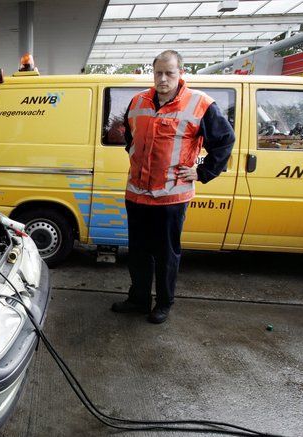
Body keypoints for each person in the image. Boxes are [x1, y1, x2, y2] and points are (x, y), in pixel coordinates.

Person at [111, 50, 235, 324]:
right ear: (153, 73)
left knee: (166, 255)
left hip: (171, 198)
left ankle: (163, 303)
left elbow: (225, 140)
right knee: (138, 253)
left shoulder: (200, 103)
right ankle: (139, 300)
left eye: (169, 73)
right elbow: (130, 135)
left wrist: (203, 171)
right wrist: (133, 153)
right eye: (158, 73)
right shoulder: (138, 101)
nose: (163, 79)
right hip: (137, 194)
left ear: (181, 73)